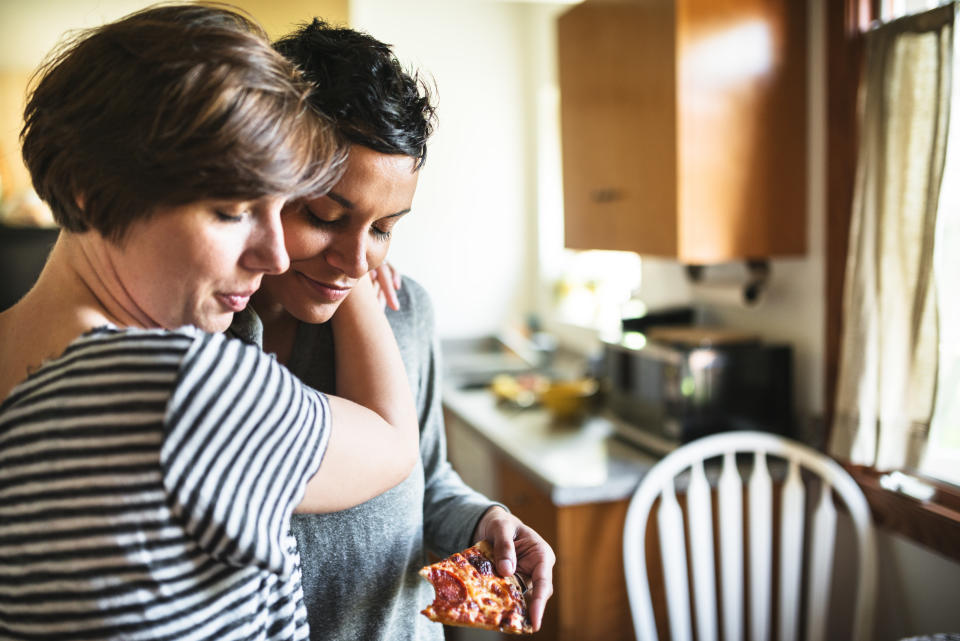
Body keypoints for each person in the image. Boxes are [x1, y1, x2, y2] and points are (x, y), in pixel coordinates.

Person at [0, 5, 420, 640]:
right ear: (90, 188)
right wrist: (354, 271)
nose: (274, 252)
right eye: (231, 210)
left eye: (281, 207)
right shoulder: (187, 387)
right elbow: (392, 444)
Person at [234, 19, 555, 640]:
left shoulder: (406, 314)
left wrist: (484, 520)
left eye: (384, 229)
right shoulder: (200, 330)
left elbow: (429, 477)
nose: (357, 263)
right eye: (326, 216)